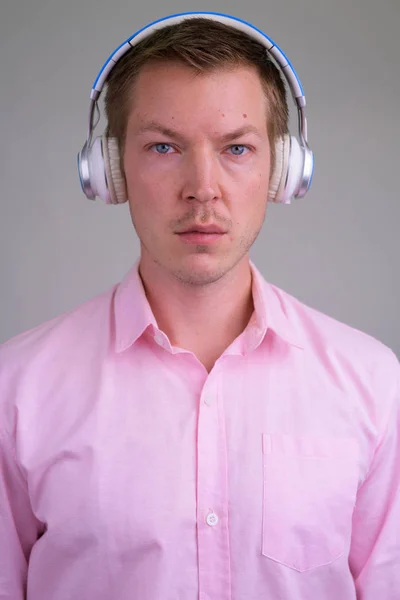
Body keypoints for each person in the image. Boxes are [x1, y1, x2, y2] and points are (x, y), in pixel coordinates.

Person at [0, 12, 399, 600]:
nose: (202, 187)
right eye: (164, 146)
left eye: (237, 147)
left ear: (282, 171)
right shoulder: (17, 389)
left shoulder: (373, 384)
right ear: (110, 171)